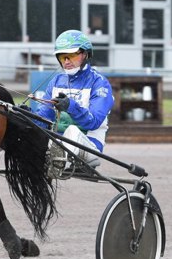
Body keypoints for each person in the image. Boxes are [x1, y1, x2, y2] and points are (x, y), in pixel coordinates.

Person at [36, 30, 114, 167]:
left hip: (89, 144)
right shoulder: (56, 81)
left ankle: (58, 164)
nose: (67, 61)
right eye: (62, 57)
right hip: (58, 142)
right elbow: (44, 118)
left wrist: (70, 106)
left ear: (85, 54)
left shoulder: (99, 83)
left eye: (71, 56)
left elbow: (93, 122)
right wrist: (26, 116)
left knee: (72, 131)